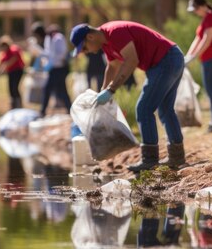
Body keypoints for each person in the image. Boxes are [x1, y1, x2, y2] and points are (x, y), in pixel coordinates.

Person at [70, 21, 185, 172]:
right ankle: (177, 156)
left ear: (90, 37)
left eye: (84, 48)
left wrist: (111, 90)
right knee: (165, 110)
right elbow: (113, 66)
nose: (87, 52)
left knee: (144, 109)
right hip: (168, 59)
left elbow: (131, 60)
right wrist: (102, 91)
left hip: (166, 60)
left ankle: (150, 159)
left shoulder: (115, 32)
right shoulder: (106, 42)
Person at [185, 0, 212, 132]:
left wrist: (194, 56)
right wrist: (188, 55)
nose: (195, 12)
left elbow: (207, 40)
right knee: (210, 90)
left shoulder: (211, 17)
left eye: (195, 9)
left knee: (211, 91)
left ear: (202, 6)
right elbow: (197, 39)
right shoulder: (205, 19)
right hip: (206, 60)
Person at [32, 22, 72, 117]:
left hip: (59, 68)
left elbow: (61, 53)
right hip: (53, 68)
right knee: (60, 90)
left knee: (49, 89)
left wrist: (51, 60)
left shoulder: (58, 38)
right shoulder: (48, 39)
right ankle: (70, 109)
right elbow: (48, 53)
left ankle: (43, 110)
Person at [0, 35, 25, 110]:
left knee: (15, 87)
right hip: (11, 72)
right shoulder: (4, 54)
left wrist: (4, 68)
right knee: (10, 88)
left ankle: (19, 105)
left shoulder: (14, 50)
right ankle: (13, 105)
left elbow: (13, 59)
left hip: (18, 70)